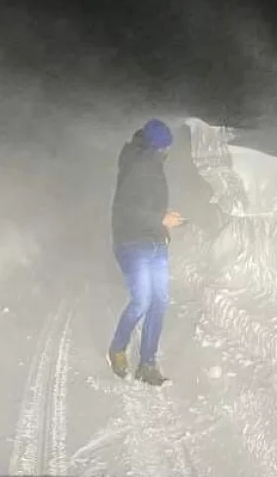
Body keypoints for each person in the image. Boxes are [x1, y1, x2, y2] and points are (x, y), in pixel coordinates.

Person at [107, 118, 185, 385]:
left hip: (155, 242)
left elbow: (148, 205)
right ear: (155, 147)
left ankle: (147, 364)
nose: (166, 153)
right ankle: (117, 349)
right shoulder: (138, 166)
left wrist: (163, 219)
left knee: (159, 301)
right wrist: (159, 219)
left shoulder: (151, 163)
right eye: (164, 148)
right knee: (142, 300)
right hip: (132, 242)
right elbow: (127, 210)